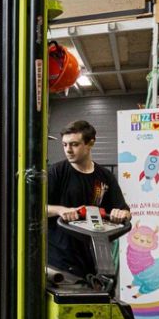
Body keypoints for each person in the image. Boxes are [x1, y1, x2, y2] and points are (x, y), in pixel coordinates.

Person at [47, 120, 131, 281]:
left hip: (93, 261)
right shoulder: (56, 173)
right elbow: (35, 209)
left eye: (74, 144)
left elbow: (124, 211)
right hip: (59, 260)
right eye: (65, 145)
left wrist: (121, 214)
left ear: (90, 143)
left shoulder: (105, 176)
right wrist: (61, 210)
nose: (68, 150)